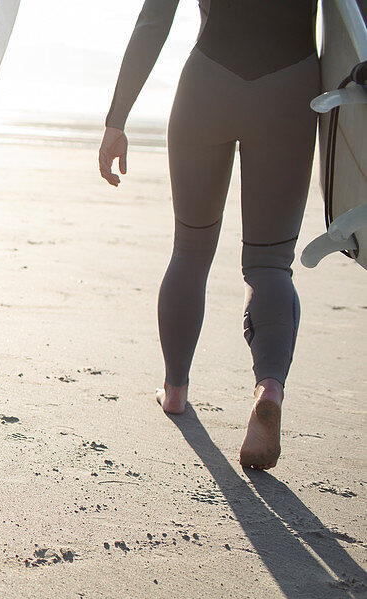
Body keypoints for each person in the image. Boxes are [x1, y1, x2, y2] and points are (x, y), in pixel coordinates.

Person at [98, 0, 319, 470]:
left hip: (207, 86)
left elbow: (154, 20)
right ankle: (269, 387)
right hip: (290, 89)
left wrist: (116, 119)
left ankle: (175, 390)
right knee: (269, 261)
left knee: (191, 250)